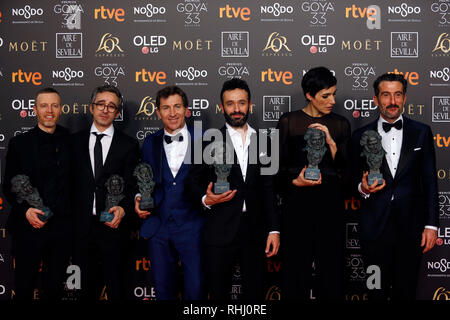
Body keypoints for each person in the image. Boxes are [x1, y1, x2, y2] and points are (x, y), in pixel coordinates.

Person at [186, 78, 280, 300]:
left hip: (256, 231)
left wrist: (274, 230)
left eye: (241, 103)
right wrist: (206, 200)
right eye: (230, 104)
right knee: (218, 293)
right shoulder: (207, 141)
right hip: (219, 229)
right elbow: (191, 183)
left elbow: (270, 190)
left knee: (255, 294)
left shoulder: (266, 141)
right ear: (222, 107)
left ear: (250, 105)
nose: (236, 109)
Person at [351, 73, 439, 300]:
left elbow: (429, 180)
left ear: (404, 98)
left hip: (410, 228)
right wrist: (362, 189)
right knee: (375, 290)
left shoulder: (422, 132)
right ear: (375, 99)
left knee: (406, 292)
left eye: (397, 94)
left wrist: (431, 225)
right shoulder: (360, 135)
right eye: (386, 95)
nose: (392, 101)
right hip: (374, 229)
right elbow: (350, 179)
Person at [276, 67, 351, 300]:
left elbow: (348, 172)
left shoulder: (341, 124)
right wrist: (294, 180)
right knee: (295, 274)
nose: (332, 101)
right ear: (309, 95)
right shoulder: (289, 121)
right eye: (325, 96)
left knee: (331, 274)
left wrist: (331, 143)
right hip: (297, 206)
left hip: (330, 207)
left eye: (334, 94)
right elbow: (275, 171)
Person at [135, 85, 205, 300]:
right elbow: (143, 180)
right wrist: (138, 199)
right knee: (163, 290)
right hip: (159, 226)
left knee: (196, 290)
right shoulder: (149, 142)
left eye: (177, 106)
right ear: (158, 112)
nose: (172, 113)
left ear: (187, 110)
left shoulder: (204, 139)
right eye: (166, 108)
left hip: (194, 225)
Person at [71, 85, 139, 300]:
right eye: (101, 104)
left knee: (117, 288)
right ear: (92, 108)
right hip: (82, 229)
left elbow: (133, 186)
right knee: (85, 291)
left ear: (117, 113)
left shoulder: (129, 145)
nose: (105, 109)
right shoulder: (73, 142)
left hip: (114, 228)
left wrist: (123, 208)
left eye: (111, 106)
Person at [3, 87, 72, 300]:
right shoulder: (19, 144)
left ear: (60, 109)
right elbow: (9, 186)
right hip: (27, 230)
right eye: (44, 106)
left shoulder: (73, 142)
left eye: (54, 105)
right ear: (35, 110)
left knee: (54, 290)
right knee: (23, 287)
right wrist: (26, 211)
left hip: (60, 231)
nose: (49, 110)